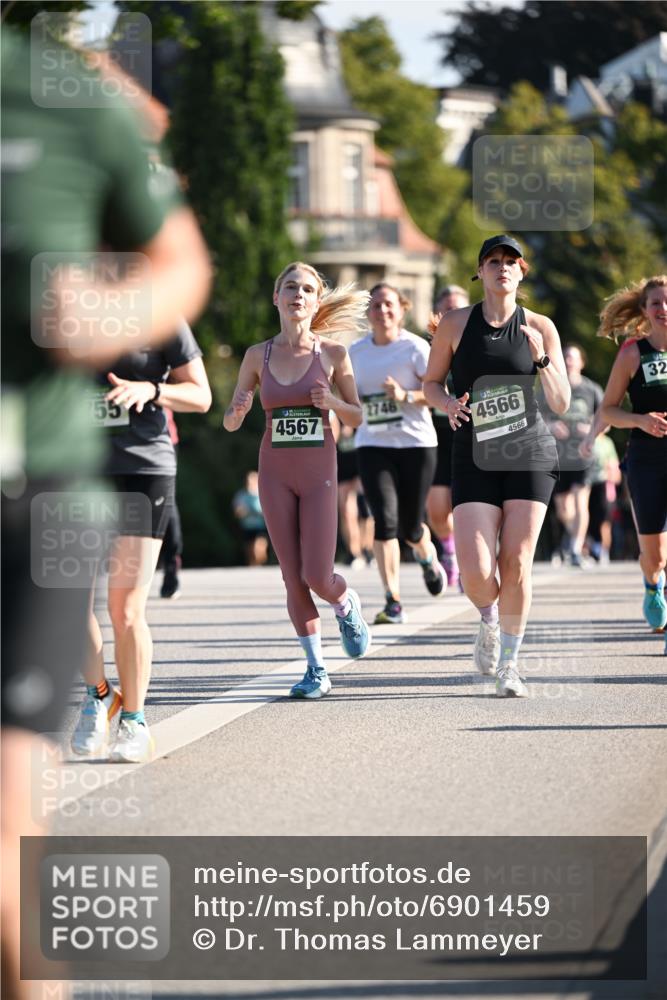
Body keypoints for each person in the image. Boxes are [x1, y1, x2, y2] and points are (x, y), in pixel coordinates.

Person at [1, 26, 210, 998]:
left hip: (69, 473)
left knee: (121, 603)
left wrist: (114, 335)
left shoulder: (56, 100)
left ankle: (125, 710)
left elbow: (181, 269)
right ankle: (105, 701)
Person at [424, 235, 570, 697]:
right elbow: (430, 383)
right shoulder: (454, 324)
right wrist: (446, 402)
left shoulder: (541, 326)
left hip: (529, 452)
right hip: (473, 454)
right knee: (476, 573)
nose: (502, 267)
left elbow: (562, 402)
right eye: (493, 261)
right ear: (480, 271)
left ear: (522, 271)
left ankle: (510, 664)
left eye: (511, 261)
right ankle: (488, 619)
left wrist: (541, 358)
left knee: (517, 562)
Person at [224, 262, 371, 698]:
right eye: (290, 287)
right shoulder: (257, 356)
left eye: (308, 289)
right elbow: (232, 422)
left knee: (318, 575)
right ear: (276, 297)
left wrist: (330, 401)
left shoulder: (332, 355)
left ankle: (345, 605)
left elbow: (358, 416)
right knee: (291, 577)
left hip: (319, 473)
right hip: (275, 472)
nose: (298, 295)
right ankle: (317, 670)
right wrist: (236, 411)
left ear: (317, 300)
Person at [70, 318, 212, 763]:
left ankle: (133, 718)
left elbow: (201, 395)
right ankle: (97, 697)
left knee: (125, 607)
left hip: (140, 468)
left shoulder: (162, 311)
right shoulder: (57, 308)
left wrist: (151, 390)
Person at [350, 283, 445, 625]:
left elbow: (438, 393)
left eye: (389, 304)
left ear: (402, 309)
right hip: (372, 444)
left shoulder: (416, 348)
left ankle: (427, 558)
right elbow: (349, 396)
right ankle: (393, 600)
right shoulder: (356, 352)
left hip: (416, 444)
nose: (382, 310)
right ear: (368, 313)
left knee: (410, 526)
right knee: (384, 522)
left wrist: (405, 395)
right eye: (375, 305)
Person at [596, 276, 667, 640]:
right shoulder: (632, 353)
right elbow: (608, 410)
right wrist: (640, 419)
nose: (664, 309)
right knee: (654, 556)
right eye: (656, 303)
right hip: (646, 459)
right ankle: (653, 583)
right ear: (644, 310)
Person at [540, 344, 603, 567]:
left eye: (573, 358)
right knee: (563, 509)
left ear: (581, 362)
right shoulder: (551, 387)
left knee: (579, 502)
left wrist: (593, 430)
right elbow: (534, 417)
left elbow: (606, 418)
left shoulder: (592, 389)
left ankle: (575, 550)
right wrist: (551, 425)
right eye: (565, 357)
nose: (568, 361)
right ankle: (580, 538)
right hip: (557, 456)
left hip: (583, 454)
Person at [426, 285, 471, 589]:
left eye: (458, 307)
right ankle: (450, 549)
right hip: (438, 434)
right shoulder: (425, 345)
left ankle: (473, 562)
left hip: (472, 431)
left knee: (472, 506)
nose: (451, 313)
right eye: (446, 309)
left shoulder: (481, 341)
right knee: (437, 510)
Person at [160, 407, 184, 598]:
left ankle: (171, 569)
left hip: (159, 436)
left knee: (165, 501)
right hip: (109, 433)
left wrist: (153, 391)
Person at [233, 470, 269, 566]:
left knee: (259, 549)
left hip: (260, 526)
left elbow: (269, 510)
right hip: (247, 526)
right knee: (249, 549)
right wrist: (242, 511)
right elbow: (237, 511)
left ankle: (259, 561)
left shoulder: (263, 494)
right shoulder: (241, 495)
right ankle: (253, 566)